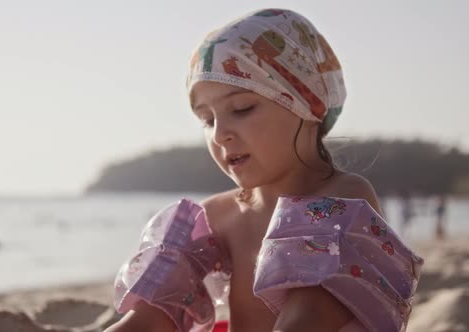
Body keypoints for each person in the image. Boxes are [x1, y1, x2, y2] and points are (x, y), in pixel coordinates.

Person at [106, 8, 423, 332]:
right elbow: (149, 321)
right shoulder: (214, 218)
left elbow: (309, 318)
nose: (219, 134)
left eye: (242, 109)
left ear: (308, 104)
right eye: (208, 120)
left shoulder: (343, 197)